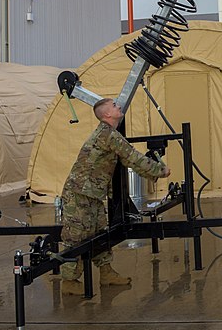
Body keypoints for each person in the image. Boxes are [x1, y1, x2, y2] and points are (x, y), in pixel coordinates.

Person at [60, 98, 171, 295]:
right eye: (114, 105)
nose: (118, 106)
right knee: (76, 237)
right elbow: (133, 158)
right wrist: (160, 170)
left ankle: (106, 273)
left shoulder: (110, 134)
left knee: (100, 233)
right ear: (107, 115)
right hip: (79, 193)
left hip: (92, 193)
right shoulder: (108, 135)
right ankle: (69, 281)